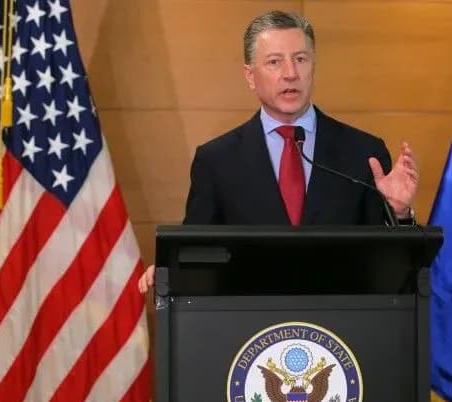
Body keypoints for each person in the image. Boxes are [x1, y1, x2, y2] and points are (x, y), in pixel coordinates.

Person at [138, 10, 418, 293]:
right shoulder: (216, 161)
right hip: (251, 317)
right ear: (250, 76)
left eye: (300, 59)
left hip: (341, 315)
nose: (290, 74)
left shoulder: (364, 153)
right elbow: (195, 252)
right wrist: (172, 272)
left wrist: (398, 214)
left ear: (313, 67)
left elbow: (391, 269)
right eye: (274, 62)